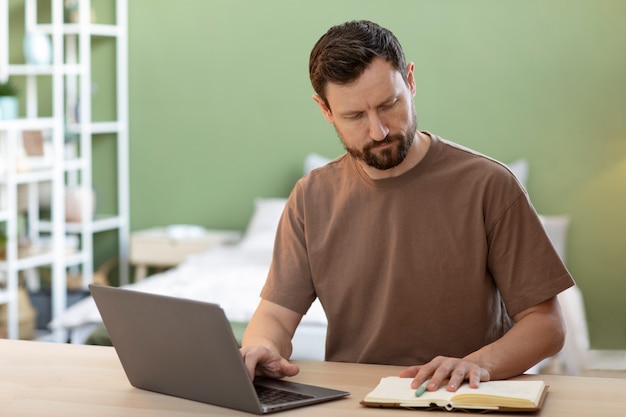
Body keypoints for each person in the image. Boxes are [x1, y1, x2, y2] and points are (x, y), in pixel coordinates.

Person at [240, 20, 574, 394]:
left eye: (389, 104)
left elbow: (546, 325)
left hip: (463, 396)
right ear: (325, 110)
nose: (378, 130)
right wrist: (261, 348)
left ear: (410, 81)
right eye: (355, 116)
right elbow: (275, 316)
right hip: (356, 400)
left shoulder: (490, 185)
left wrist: (476, 364)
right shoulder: (310, 196)